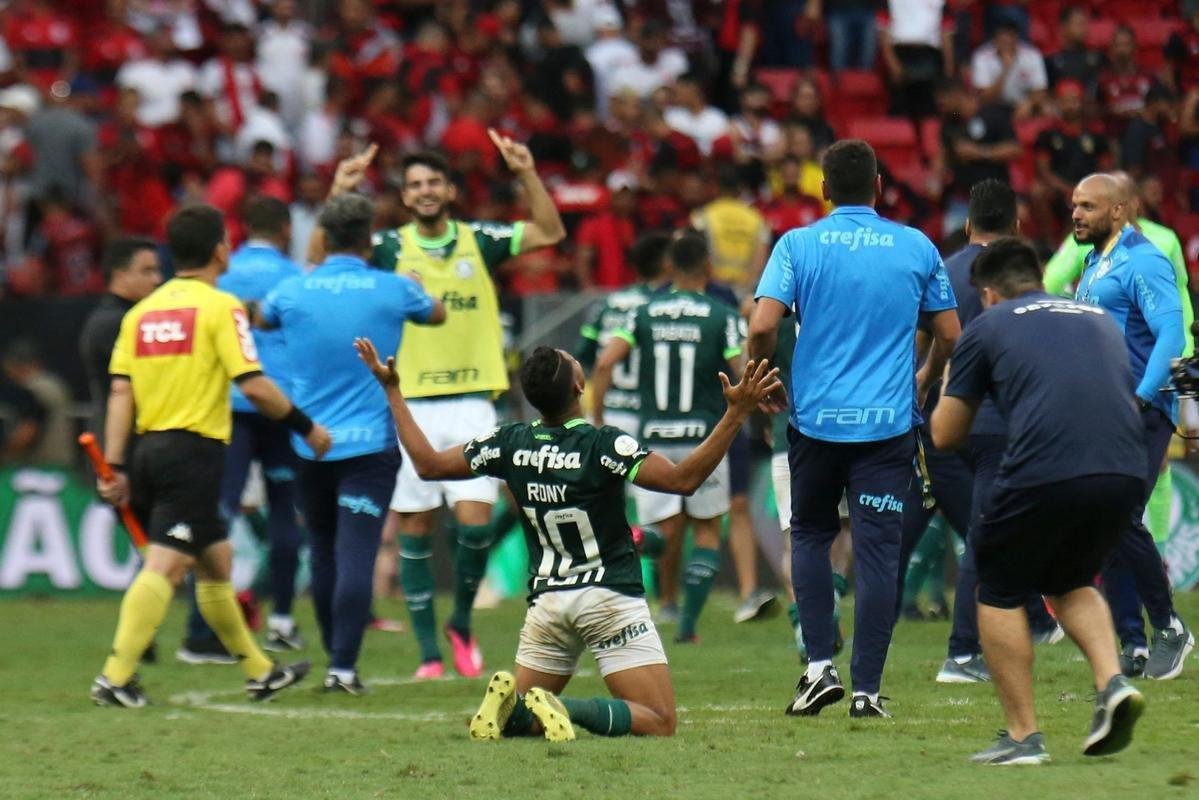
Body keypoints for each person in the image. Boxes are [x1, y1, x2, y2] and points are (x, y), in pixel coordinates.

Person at [352, 338, 780, 739]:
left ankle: (523, 705)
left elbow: (427, 465)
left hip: (549, 605)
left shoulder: (510, 442)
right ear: (580, 386)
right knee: (660, 720)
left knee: (518, 718)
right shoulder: (603, 444)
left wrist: (393, 392)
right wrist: (735, 415)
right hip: (608, 599)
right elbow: (683, 479)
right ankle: (566, 708)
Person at [748, 139, 960, 718]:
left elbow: (764, 323)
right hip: (887, 425)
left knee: (811, 536)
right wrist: (926, 375)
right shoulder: (915, 245)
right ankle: (866, 690)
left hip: (816, 422)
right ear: (880, 187)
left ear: (823, 189)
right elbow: (949, 333)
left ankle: (819, 669)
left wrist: (758, 375)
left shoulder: (797, 244)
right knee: (877, 554)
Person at [91, 204, 329, 707]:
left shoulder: (141, 314)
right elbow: (254, 385)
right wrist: (305, 426)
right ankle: (115, 677)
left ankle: (260, 671)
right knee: (165, 566)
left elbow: (119, 394)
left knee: (215, 563)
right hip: (193, 453)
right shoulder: (222, 307)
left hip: (149, 450)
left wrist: (114, 467)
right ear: (220, 249)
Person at [930, 237, 1147, 765]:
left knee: (997, 587)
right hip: (1126, 471)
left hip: (1047, 470)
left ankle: (1023, 736)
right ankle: (1112, 683)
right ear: (1038, 278)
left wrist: (944, 380)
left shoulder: (989, 325)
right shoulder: (1096, 316)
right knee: (1069, 578)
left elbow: (945, 434)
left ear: (987, 294)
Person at [365, 132, 565, 679]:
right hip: (413, 403)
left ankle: (461, 622)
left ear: (450, 190)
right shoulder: (386, 249)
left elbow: (550, 230)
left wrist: (525, 171)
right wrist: (340, 186)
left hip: (474, 401)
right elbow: (320, 259)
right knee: (414, 527)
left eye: (433, 182)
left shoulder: (480, 238)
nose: (425, 191)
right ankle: (430, 655)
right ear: (404, 198)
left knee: (475, 522)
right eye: (414, 185)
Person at [258, 193, 444, 693]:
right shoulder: (393, 289)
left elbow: (262, 319)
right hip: (369, 443)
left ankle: (334, 656)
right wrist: (419, 285)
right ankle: (343, 666)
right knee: (357, 551)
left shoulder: (291, 290)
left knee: (322, 551)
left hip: (309, 443)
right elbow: (438, 314)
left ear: (322, 235)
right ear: (370, 238)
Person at [911, 179, 1060, 685]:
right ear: (1017, 225)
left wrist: (923, 386)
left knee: (988, 531)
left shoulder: (942, 271)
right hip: (1002, 424)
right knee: (986, 535)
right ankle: (962, 652)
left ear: (968, 223)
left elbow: (918, 345)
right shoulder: (1024, 275)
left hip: (943, 426)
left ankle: (1037, 621)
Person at [590, 231, 747, 643]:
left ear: (670, 267)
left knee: (666, 531)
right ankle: (688, 627)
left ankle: (641, 555)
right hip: (704, 437)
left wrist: (599, 419)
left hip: (654, 435)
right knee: (708, 531)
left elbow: (605, 362)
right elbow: (742, 368)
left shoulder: (643, 312)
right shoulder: (722, 314)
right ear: (708, 268)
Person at [1069, 173, 1194, 680]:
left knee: (1118, 515)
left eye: (1088, 206)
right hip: (1102, 412)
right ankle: (1133, 642)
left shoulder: (1143, 259)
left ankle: (1168, 628)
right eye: (1074, 205)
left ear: (1118, 210)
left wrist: (1139, 398)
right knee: (1109, 523)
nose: (1076, 214)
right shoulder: (1094, 263)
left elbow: (1171, 333)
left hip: (1138, 410)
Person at [213, 196, 305, 652]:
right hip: (280, 407)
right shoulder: (295, 278)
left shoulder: (223, 275)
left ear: (243, 228)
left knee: (221, 512)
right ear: (286, 229)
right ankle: (282, 622)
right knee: (284, 514)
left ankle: (209, 622)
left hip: (230, 403)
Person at [575, 232, 670, 439]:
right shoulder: (663, 307)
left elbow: (584, 354)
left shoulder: (608, 303)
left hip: (604, 408)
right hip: (645, 416)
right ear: (667, 264)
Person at [79, 238, 163, 442]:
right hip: (116, 442)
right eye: (147, 271)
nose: (157, 279)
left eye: (157, 270)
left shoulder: (130, 316)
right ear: (120, 275)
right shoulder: (112, 322)